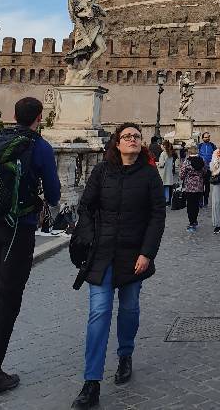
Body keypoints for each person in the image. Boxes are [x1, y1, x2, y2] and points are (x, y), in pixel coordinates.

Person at [71, 122, 166, 408]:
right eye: (127, 136)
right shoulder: (101, 172)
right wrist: (87, 237)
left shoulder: (150, 175)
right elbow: (85, 207)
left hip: (133, 254)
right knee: (99, 312)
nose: (133, 140)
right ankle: (91, 382)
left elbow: (157, 216)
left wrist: (147, 253)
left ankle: (125, 353)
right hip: (101, 254)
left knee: (129, 308)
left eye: (137, 136)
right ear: (117, 143)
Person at [0, 97, 61, 398]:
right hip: (18, 229)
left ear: (13, 115)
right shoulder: (39, 147)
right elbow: (53, 191)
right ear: (39, 117)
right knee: (10, 296)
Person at [178, 144, 207, 232]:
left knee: (190, 205)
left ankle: (191, 222)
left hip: (189, 187)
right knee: (196, 204)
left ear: (189, 152)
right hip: (199, 186)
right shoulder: (202, 160)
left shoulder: (187, 162)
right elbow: (205, 171)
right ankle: (195, 220)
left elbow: (182, 174)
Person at [198, 132, 216, 207]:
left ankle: (206, 201)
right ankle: (200, 201)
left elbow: (216, 155)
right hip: (201, 169)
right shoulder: (200, 146)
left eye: (208, 137)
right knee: (200, 185)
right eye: (205, 137)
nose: (207, 138)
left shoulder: (212, 145)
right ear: (202, 138)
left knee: (207, 186)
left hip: (209, 169)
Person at [157, 140, 175, 205]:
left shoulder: (163, 154)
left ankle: (166, 200)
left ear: (164, 146)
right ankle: (168, 200)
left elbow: (161, 164)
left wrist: (157, 164)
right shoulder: (170, 153)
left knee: (164, 187)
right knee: (167, 187)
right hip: (169, 172)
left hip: (163, 173)